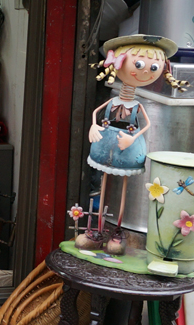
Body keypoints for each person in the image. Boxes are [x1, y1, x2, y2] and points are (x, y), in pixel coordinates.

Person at [75, 34, 182, 255]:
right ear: (118, 62)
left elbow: (147, 124)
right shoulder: (113, 101)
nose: (145, 71)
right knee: (102, 186)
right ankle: (97, 230)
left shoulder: (136, 104)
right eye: (140, 64)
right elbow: (96, 113)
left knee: (122, 188)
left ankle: (118, 231)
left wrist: (133, 138)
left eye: (153, 67)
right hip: (105, 143)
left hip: (128, 145)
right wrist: (94, 126)